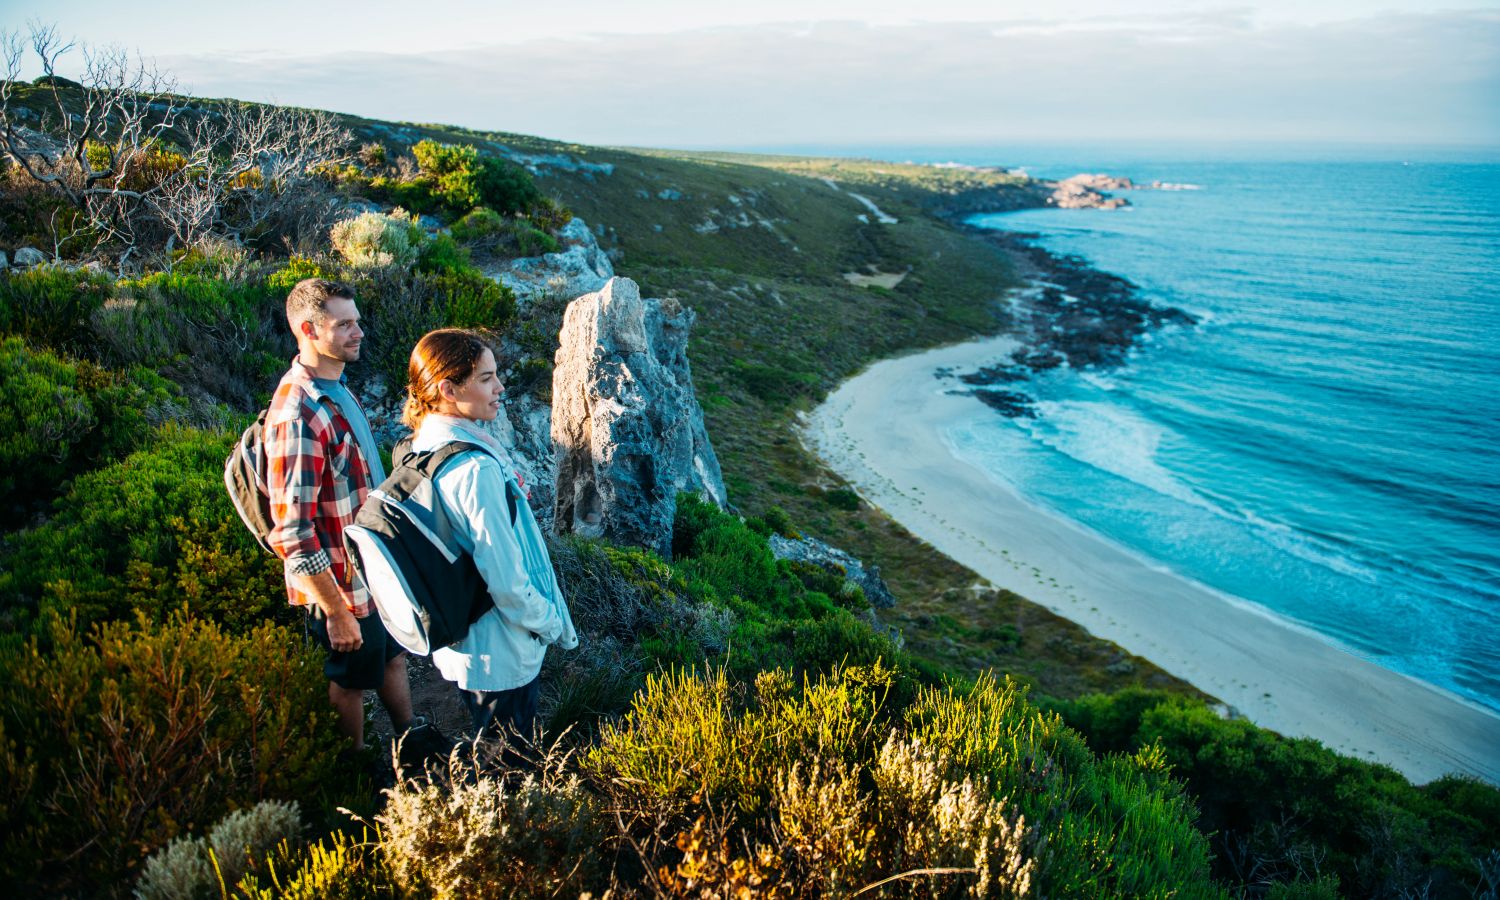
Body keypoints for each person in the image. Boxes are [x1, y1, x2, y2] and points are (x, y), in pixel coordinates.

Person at [401, 328, 578, 749]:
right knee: (512, 759)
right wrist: (550, 623)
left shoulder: (422, 446)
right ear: (447, 389)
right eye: (485, 378)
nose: (500, 388)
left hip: (466, 640)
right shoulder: (475, 471)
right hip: (500, 650)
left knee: (495, 743)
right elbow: (507, 582)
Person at [265, 277, 416, 751]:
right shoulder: (299, 414)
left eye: (358, 322)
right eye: (344, 325)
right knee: (351, 678)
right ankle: (352, 765)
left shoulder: (337, 388)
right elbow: (291, 532)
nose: (360, 333)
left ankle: (408, 738)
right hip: (341, 586)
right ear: (308, 330)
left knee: (393, 656)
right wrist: (335, 612)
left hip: (373, 569)